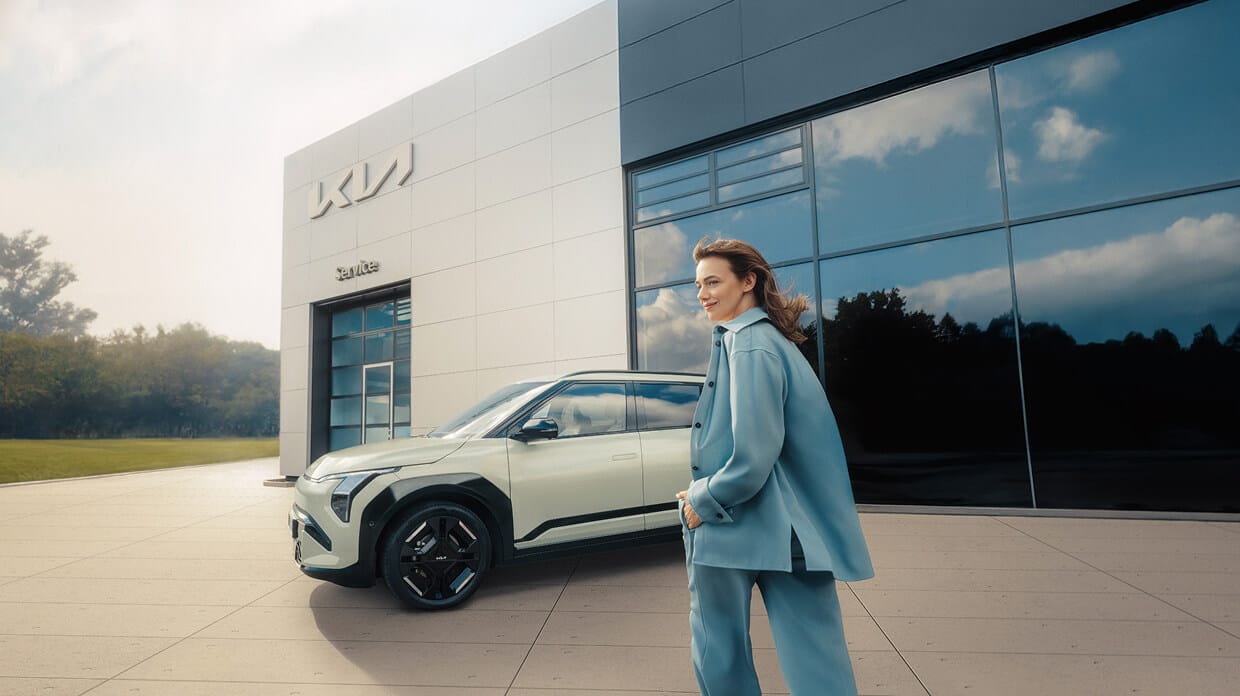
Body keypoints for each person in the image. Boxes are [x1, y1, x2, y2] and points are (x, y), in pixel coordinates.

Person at [676, 237, 873, 696]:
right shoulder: (773, 344)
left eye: (712, 282)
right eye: (698, 284)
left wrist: (701, 500)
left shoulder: (748, 345)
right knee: (819, 657)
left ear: (748, 282)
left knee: (718, 651)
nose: (702, 294)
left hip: (733, 523)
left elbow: (753, 454)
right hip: (795, 531)